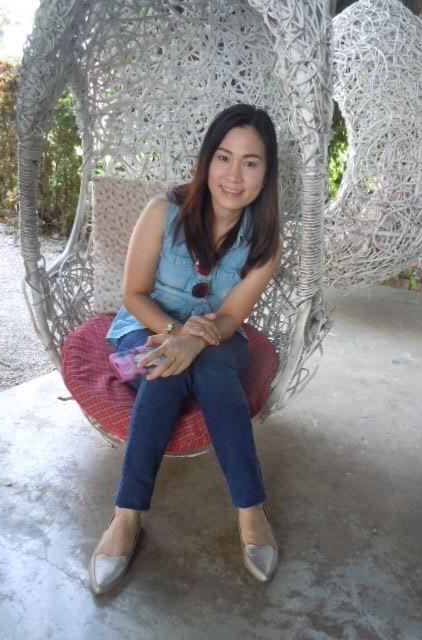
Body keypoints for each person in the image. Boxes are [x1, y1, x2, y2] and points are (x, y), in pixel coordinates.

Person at [88, 103, 283, 595]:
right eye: (224, 157)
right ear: (207, 159)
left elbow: (230, 317)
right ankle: (127, 515)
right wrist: (175, 335)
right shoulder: (163, 211)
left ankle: (249, 510)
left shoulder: (264, 240)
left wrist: (193, 340)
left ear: (265, 174)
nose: (233, 176)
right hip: (146, 326)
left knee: (211, 368)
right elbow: (133, 294)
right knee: (165, 370)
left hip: (219, 337)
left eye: (250, 163)